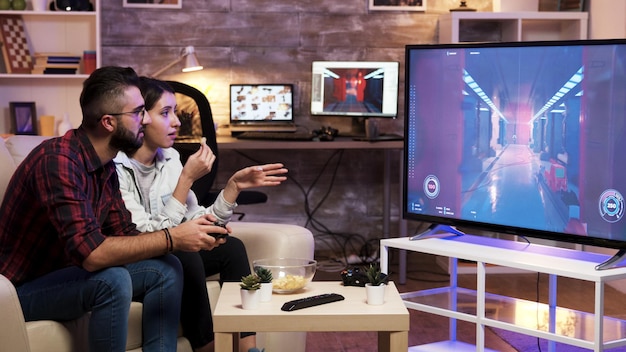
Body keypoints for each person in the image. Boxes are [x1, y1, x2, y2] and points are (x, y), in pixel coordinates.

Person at [0, 66, 229, 352]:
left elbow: (127, 234)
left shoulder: (104, 166)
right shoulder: (58, 161)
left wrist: (191, 237)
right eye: (138, 113)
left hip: (68, 275)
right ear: (109, 122)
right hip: (17, 292)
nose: (145, 120)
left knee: (167, 267)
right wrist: (174, 238)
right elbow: (92, 255)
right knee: (113, 279)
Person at [114, 77, 288, 352]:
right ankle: (207, 347)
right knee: (184, 255)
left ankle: (247, 348)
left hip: (172, 246)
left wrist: (233, 188)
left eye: (174, 111)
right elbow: (147, 235)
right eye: (165, 113)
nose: (177, 122)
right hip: (139, 258)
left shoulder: (169, 157)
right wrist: (185, 180)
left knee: (231, 248)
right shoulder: (116, 167)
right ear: (141, 117)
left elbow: (196, 221)